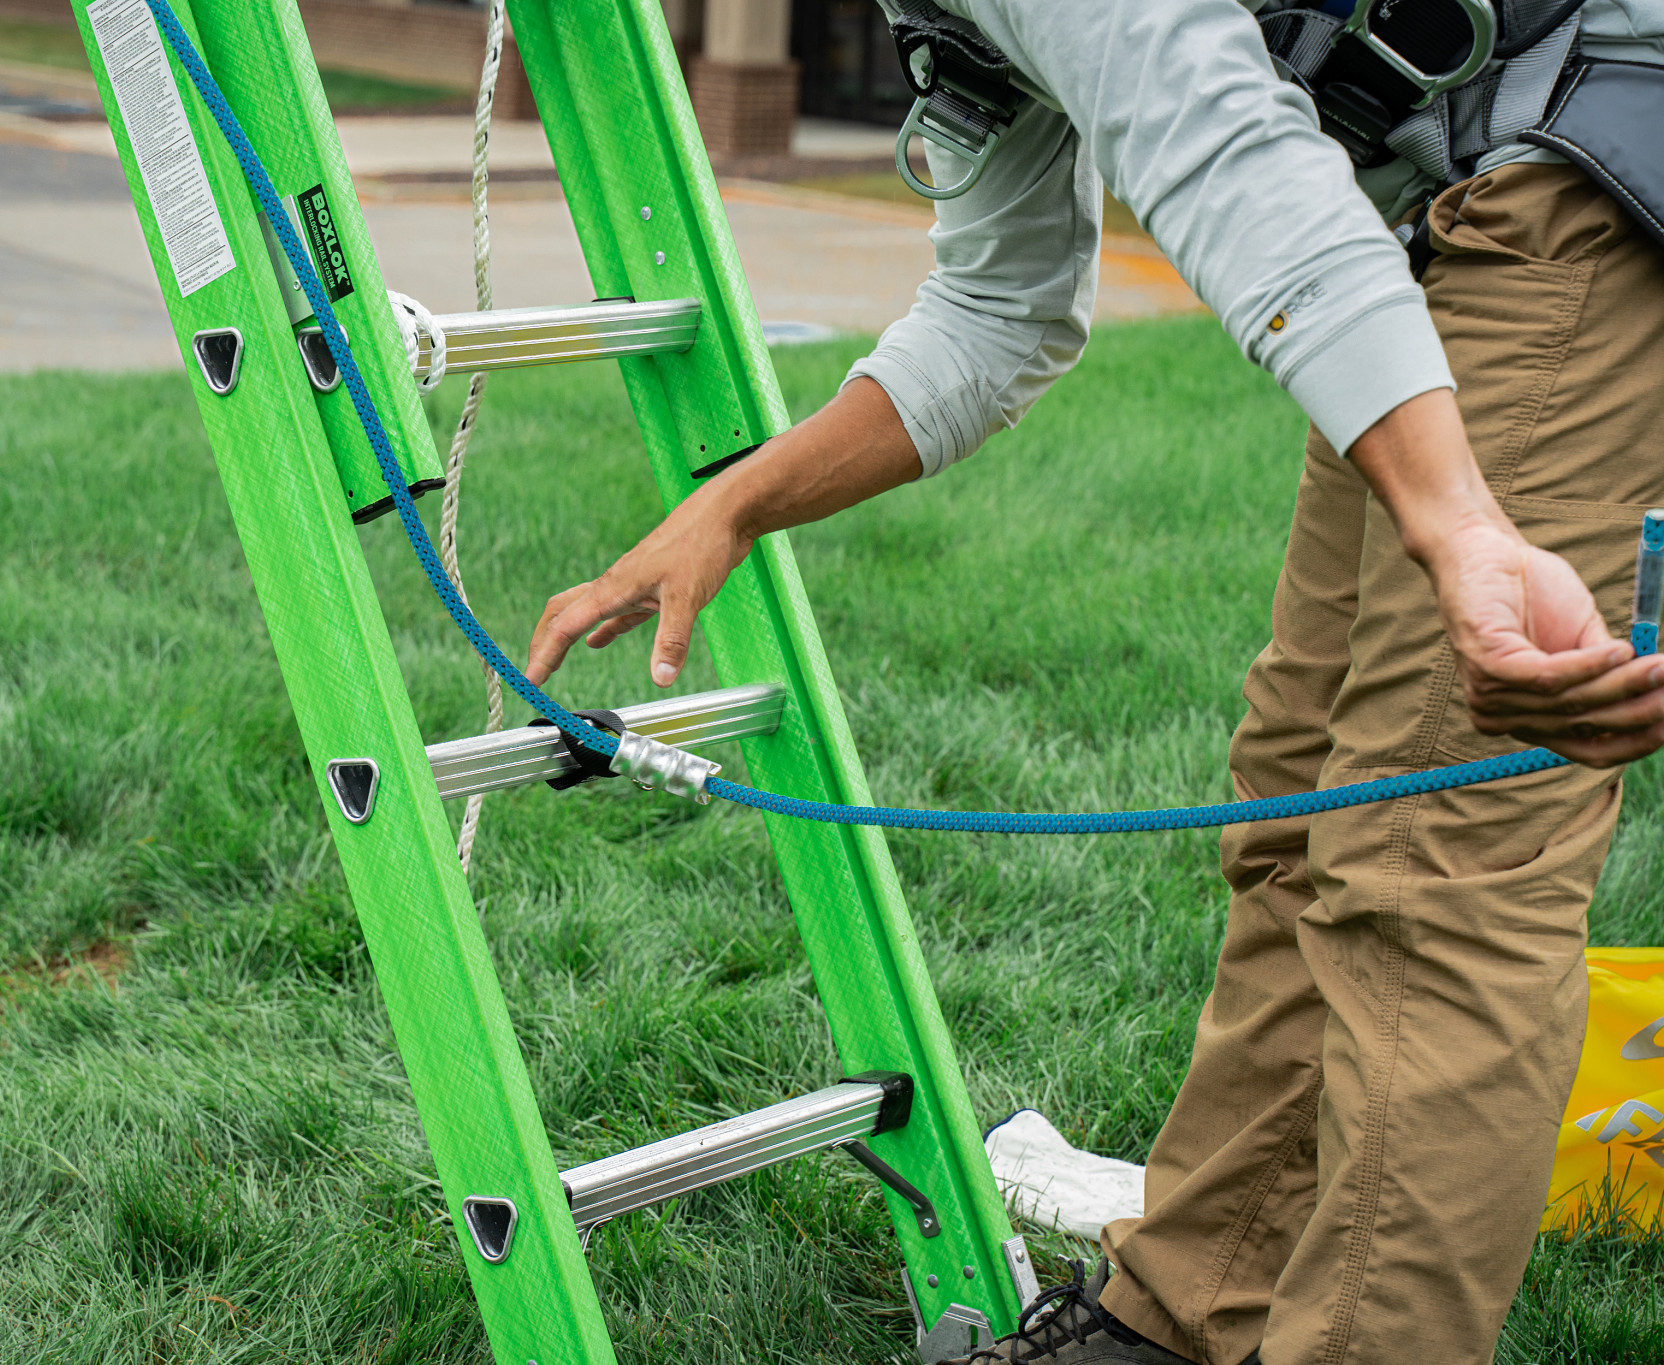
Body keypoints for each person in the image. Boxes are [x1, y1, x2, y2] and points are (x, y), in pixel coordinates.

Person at [521, 1, 1664, 1362]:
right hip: (1450, 202)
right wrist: (735, 505)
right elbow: (996, 311)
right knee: (1298, 806)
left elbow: (1229, 153)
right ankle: (1173, 1325)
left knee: (1429, 861)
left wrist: (1462, 524)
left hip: (1582, 169)